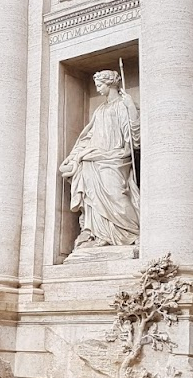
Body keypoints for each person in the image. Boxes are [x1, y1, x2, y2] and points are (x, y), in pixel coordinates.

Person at [60, 71, 140, 249]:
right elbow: (88, 137)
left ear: (110, 84)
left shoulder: (123, 105)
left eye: (99, 85)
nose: (97, 89)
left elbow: (134, 136)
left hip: (116, 157)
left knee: (116, 195)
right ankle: (100, 234)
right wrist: (73, 157)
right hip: (94, 158)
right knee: (93, 198)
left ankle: (133, 231)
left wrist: (131, 108)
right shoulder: (100, 110)